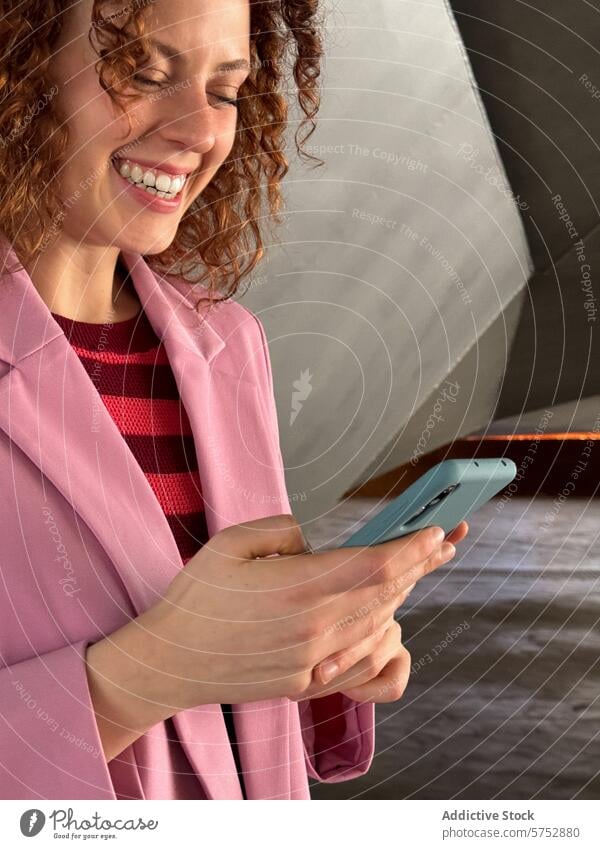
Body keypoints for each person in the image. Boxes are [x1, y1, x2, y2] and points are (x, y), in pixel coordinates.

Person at [0, 0, 468, 800]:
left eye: (226, 89)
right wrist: (150, 672)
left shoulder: (228, 346)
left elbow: (234, 717)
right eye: (142, 74)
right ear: (18, 73)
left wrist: (315, 646)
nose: (198, 131)